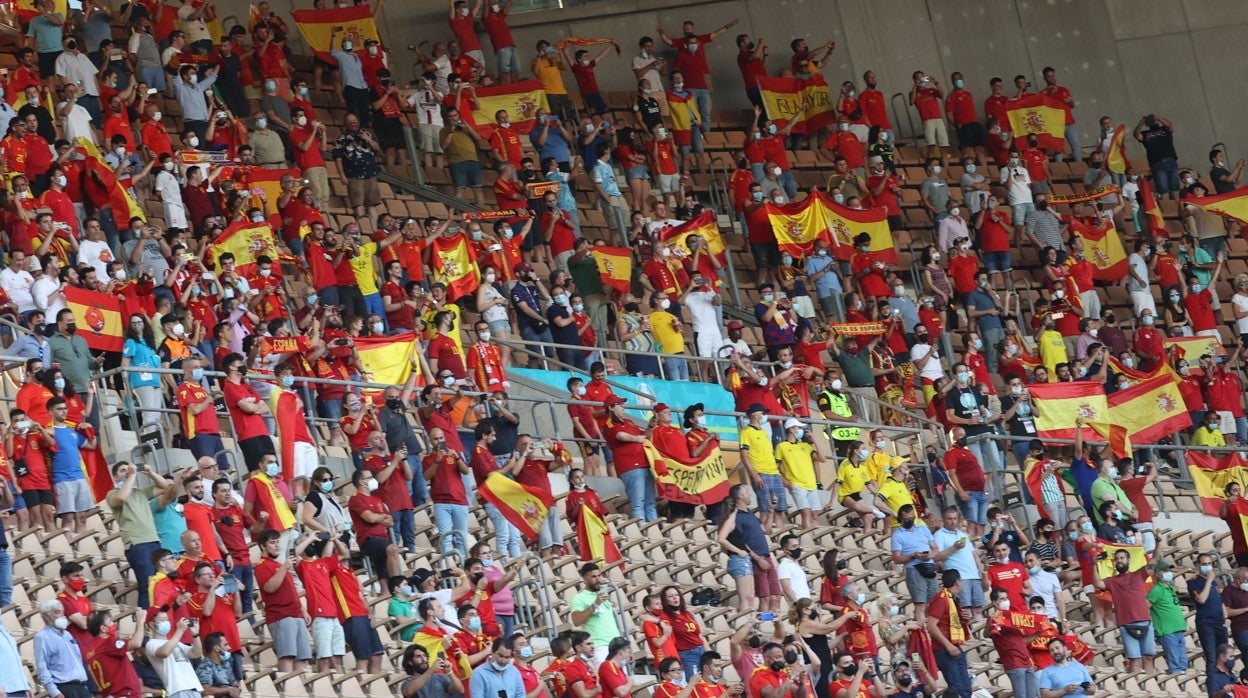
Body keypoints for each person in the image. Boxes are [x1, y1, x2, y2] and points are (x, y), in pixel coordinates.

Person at [1092, 541, 1163, 673]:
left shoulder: (1139, 574)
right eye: (1117, 559)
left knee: (1148, 658)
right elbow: (1097, 583)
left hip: (1145, 621)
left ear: (1128, 560)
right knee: (1134, 659)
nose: (1119, 560)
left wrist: (1158, 541)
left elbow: (1155, 558)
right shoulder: (1111, 581)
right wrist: (1094, 565)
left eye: (1122, 558)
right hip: (1126, 623)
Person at [254, 529, 312, 673]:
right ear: (263, 546)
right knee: (287, 656)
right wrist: (285, 568)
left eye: (277, 542)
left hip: (296, 614)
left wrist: (302, 610)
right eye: (272, 543)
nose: (277, 545)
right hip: (281, 615)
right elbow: (269, 588)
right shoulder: (262, 565)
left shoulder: (278, 565)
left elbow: (290, 591)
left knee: (302, 658)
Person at [717, 483, 781, 613]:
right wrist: (756, 558)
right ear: (740, 497)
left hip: (766, 556)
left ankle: (770, 625)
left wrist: (771, 510)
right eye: (746, 492)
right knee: (764, 597)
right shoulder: (737, 517)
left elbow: (766, 530)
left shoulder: (750, 513)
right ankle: (761, 626)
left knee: (775, 597)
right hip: (755, 558)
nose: (749, 494)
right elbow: (739, 540)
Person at [925, 570, 971, 698]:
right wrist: (948, 646)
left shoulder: (952, 599)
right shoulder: (941, 599)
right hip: (944, 649)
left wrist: (965, 618)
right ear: (957, 582)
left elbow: (950, 622)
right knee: (956, 689)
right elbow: (931, 625)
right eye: (961, 581)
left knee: (966, 690)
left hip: (955, 647)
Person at [33, 598, 90, 698]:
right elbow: (42, 667)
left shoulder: (68, 634)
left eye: (63, 612)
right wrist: (55, 692)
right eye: (57, 612)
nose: (62, 616)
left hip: (81, 686)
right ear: (46, 616)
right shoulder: (42, 637)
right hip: (64, 688)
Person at [891, 503, 939, 621]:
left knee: (934, 603)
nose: (909, 520)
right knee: (920, 604)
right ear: (901, 519)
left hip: (929, 566)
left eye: (911, 517)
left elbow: (935, 548)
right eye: (906, 518)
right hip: (914, 568)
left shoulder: (923, 529)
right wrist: (912, 556)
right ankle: (922, 631)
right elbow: (896, 558)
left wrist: (929, 556)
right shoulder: (897, 534)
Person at [568, 563, 620, 666]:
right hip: (599, 646)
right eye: (593, 576)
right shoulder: (579, 597)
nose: (598, 580)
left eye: (599, 575)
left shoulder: (601, 595)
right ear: (584, 578)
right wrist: (595, 604)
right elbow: (576, 621)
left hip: (616, 645)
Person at [1189, 552, 1228, 667]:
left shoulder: (1215, 582)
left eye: (1210, 563)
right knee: (1212, 657)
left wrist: (1226, 619)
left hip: (1220, 622)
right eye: (1205, 564)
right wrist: (1209, 581)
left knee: (1224, 656)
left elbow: (1221, 601)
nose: (1208, 566)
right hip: (1206, 623)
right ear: (1198, 565)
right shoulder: (1193, 582)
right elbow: (1201, 599)